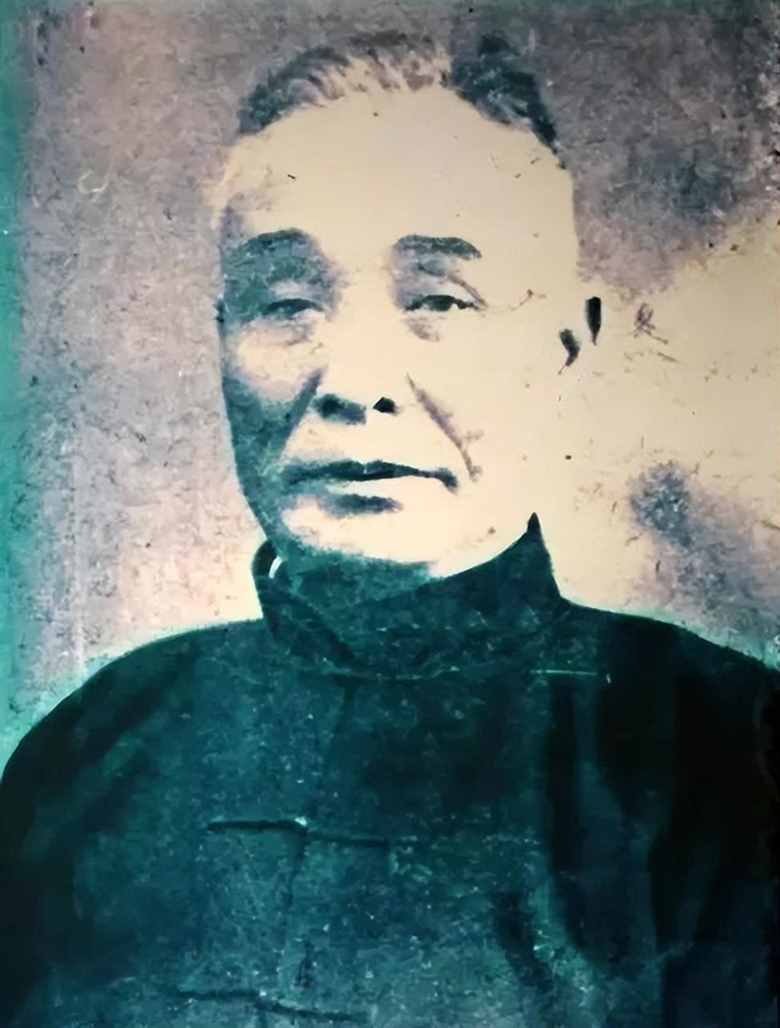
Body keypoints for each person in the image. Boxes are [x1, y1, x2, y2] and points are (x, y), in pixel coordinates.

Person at [0, 31, 777, 1028]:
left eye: (439, 299)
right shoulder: (90, 750)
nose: (354, 381)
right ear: (222, 336)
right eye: (286, 302)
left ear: (564, 345)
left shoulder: (727, 766)